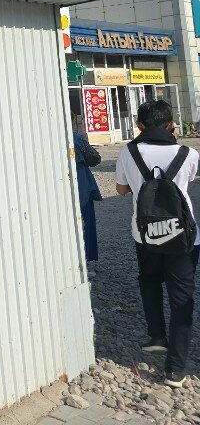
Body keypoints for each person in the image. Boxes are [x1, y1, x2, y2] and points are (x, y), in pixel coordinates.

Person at [115, 100, 199, 388]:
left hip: (145, 233)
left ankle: (156, 337)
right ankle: (175, 369)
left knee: (149, 280)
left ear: (139, 125)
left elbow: (121, 188)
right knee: (181, 297)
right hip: (184, 236)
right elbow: (187, 183)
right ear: (171, 125)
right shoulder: (188, 153)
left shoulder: (128, 151)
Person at [74, 131, 102, 266]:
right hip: (81, 182)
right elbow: (95, 158)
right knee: (85, 221)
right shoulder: (77, 138)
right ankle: (87, 260)